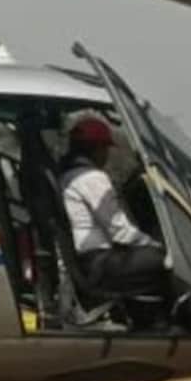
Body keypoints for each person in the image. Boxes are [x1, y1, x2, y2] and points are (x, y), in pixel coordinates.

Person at [59, 117, 166, 321]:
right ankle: (162, 320)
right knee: (164, 262)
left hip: (89, 263)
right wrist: (158, 247)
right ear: (96, 149)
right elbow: (120, 231)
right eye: (105, 149)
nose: (107, 155)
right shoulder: (92, 178)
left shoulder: (68, 176)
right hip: (100, 264)